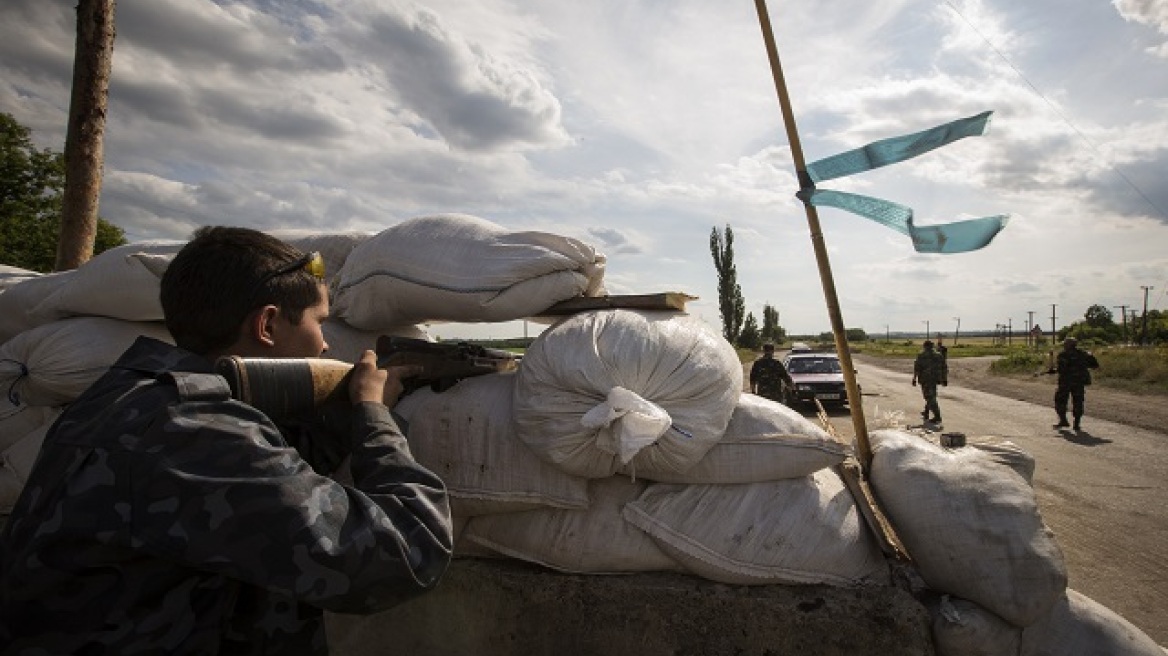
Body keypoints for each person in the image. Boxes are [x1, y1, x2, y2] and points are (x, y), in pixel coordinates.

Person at [0, 226, 454, 654]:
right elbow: (403, 553)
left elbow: (278, 484)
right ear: (268, 326)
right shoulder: (193, 432)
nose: (325, 348)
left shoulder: (127, 395)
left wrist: (343, 412)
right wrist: (376, 417)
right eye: (319, 323)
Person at [1049, 337, 1100, 431]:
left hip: (1066, 382)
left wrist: (1053, 371)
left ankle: (1063, 420)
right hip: (1079, 382)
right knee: (1078, 401)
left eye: (1065, 344)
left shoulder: (1063, 355)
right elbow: (1095, 365)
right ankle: (1076, 423)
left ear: (1069, 345)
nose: (1064, 345)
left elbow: (1061, 369)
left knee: (1060, 400)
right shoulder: (1084, 354)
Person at [911, 339, 948, 424]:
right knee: (931, 394)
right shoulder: (939, 355)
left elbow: (917, 368)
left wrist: (914, 378)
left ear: (925, 346)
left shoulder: (921, 355)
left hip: (925, 379)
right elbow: (944, 367)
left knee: (929, 396)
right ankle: (926, 412)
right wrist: (944, 379)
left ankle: (937, 416)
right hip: (935, 378)